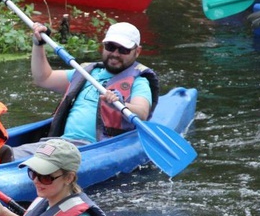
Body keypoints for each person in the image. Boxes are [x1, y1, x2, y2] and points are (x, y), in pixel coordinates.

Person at [13, 22, 159, 158]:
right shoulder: (87, 72)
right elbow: (43, 78)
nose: (115, 53)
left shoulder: (139, 82)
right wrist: (38, 44)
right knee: (3, 154)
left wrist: (120, 104)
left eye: (123, 49)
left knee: (14, 157)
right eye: (110, 47)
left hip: (93, 150)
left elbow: (142, 113)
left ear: (137, 51)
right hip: (61, 144)